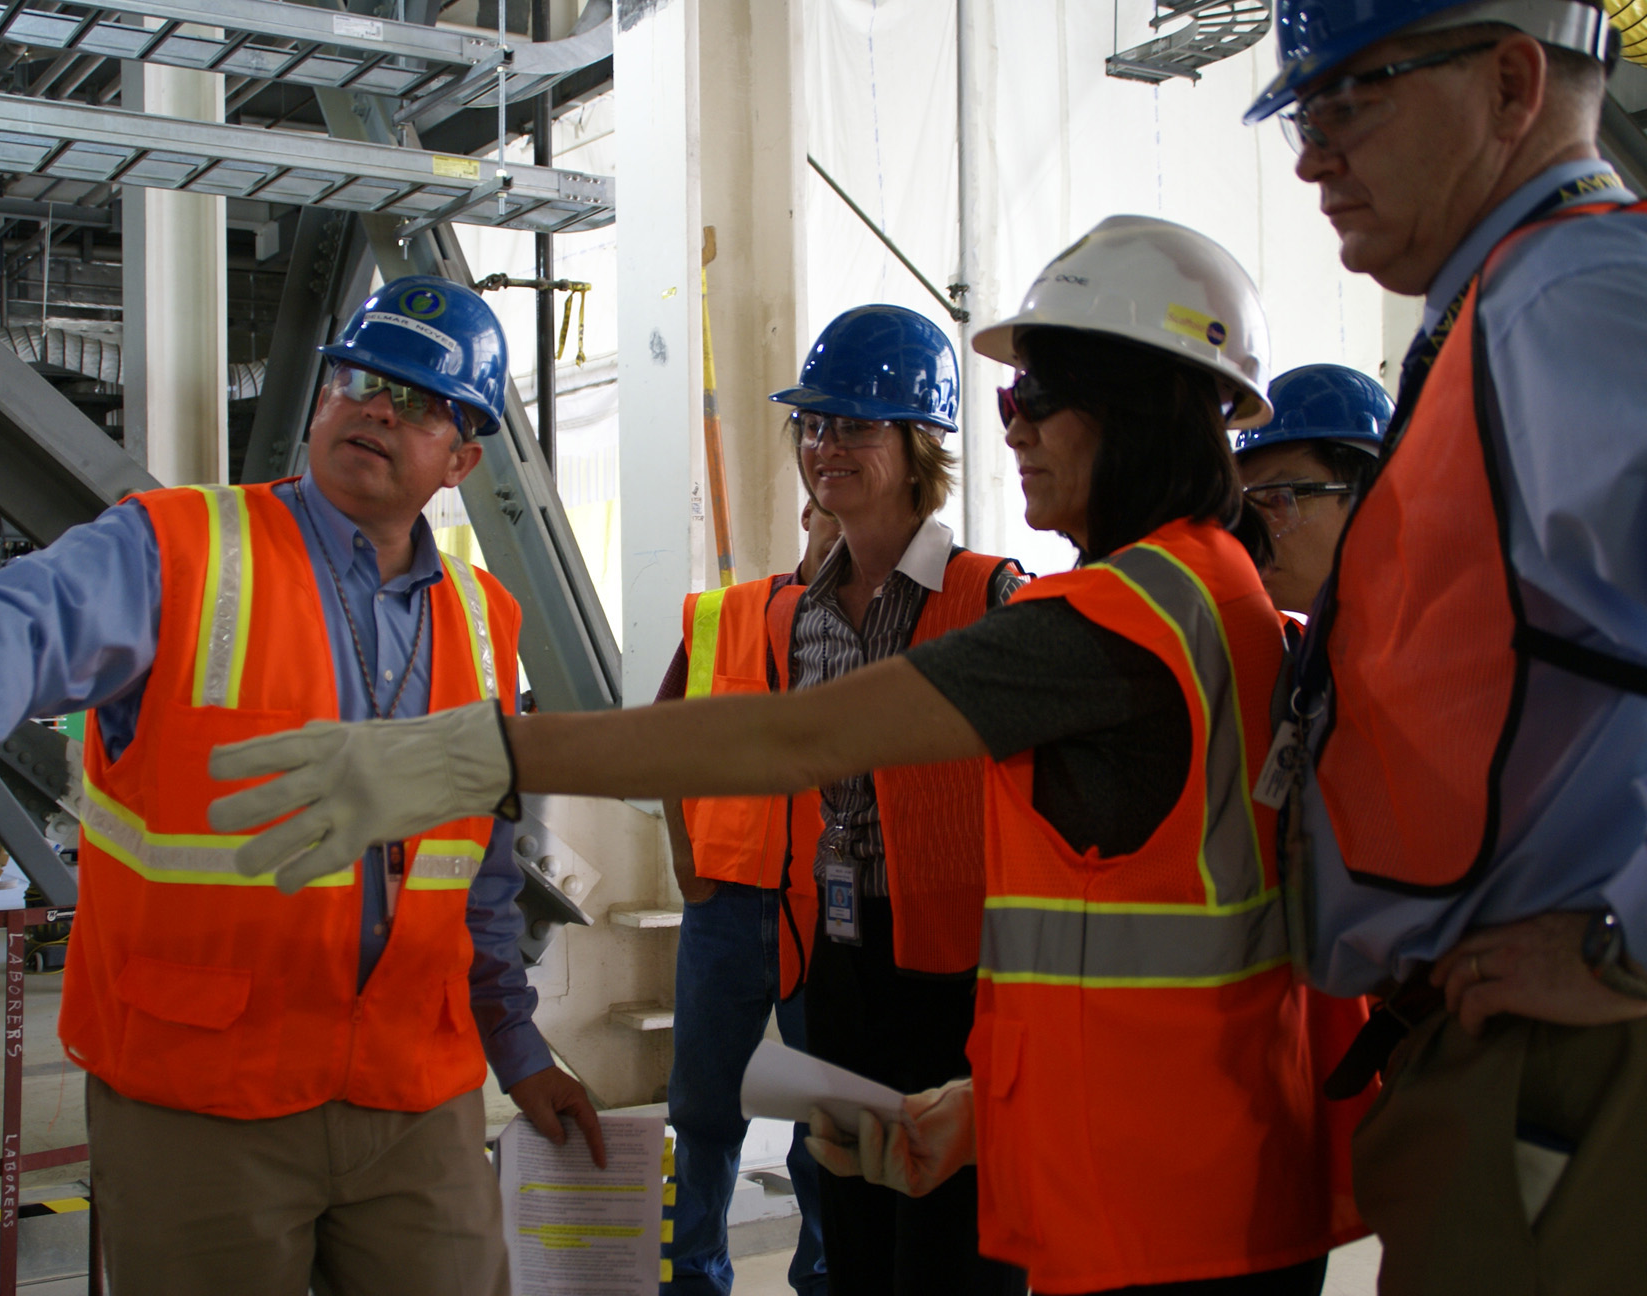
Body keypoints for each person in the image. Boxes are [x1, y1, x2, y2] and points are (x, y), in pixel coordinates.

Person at [205, 217, 1371, 1296]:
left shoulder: (1104, 625)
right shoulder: (1219, 597)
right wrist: (988, 1109)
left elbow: (796, 739)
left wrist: (481, 752)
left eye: (1039, 395)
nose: (1009, 422)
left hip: (1157, 1205)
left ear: (1146, 408)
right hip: (1183, 1150)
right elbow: (1176, 944)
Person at [0, 276, 603, 1296]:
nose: (379, 408)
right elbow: (21, 621)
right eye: (360, 378)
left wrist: (517, 1047)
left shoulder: (485, 623)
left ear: (463, 459)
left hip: (414, 1105)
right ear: (320, 400)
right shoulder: (178, 550)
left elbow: (478, 874)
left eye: (423, 403)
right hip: (202, 1102)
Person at [1241, 2, 1647, 1290]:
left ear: (1513, 82)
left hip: (1566, 1071)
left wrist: (1623, 945)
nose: (1312, 157)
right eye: (1305, 115)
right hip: (1505, 1059)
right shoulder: (1507, 310)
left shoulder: (1570, 305)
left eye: (1348, 101)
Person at [768, 305, 1026, 1296]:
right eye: (813, 425)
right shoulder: (803, 615)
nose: (824, 446)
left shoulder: (991, 596)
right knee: (855, 1220)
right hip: (841, 957)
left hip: (961, 968)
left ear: (918, 449)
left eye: (854, 427)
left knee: (956, 1238)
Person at [657, 498, 836, 1296]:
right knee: (701, 1112)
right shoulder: (722, 617)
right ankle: (692, 1278)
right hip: (724, 902)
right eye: (832, 515)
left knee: (823, 1125)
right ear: (806, 513)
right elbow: (661, 739)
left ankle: (827, 1277)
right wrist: (683, 858)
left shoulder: (890, 627)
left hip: (831, 916)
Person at [1232, 364, 1389, 613]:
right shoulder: (1322, 647)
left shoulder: (1442, 640)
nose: (1252, 533)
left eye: (1277, 500)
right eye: (1247, 505)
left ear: (1371, 502)